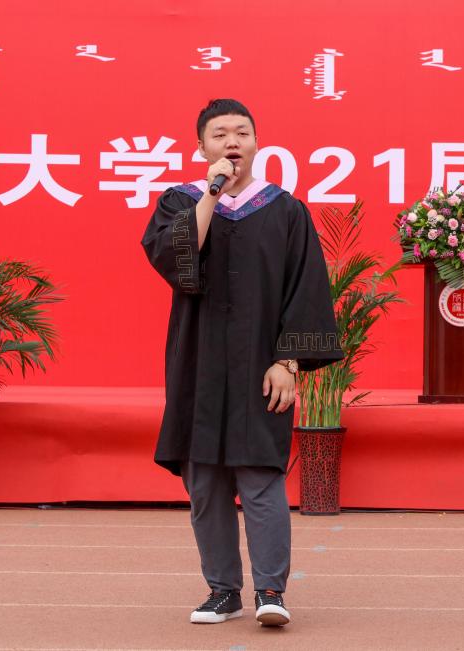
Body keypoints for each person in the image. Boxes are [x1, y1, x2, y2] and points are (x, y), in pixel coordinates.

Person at [141, 98, 342, 629]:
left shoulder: (285, 211)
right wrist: (212, 192)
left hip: (261, 365)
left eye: (242, 133)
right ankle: (223, 591)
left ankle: (271, 591)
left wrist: (288, 360)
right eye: (220, 134)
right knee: (205, 482)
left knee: (260, 476)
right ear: (201, 147)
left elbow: (305, 288)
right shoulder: (181, 201)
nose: (232, 142)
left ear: (257, 143)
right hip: (199, 363)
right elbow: (175, 261)